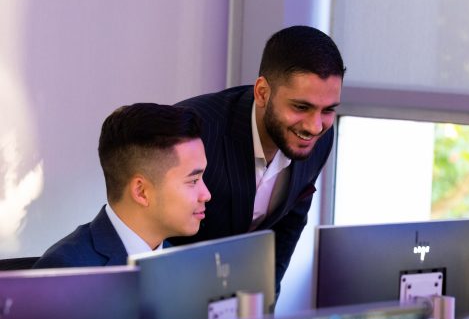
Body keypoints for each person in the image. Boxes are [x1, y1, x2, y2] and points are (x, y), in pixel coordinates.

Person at [173, 25, 345, 293]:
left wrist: (265, 303)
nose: (314, 126)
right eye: (301, 107)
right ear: (263, 92)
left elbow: (289, 223)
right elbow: (154, 228)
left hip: (242, 301)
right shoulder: (193, 130)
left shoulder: (322, 135)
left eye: (328, 110)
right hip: (177, 293)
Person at [33, 104, 211, 268]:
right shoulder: (66, 270)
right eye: (193, 181)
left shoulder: (183, 263)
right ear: (141, 192)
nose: (206, 194)